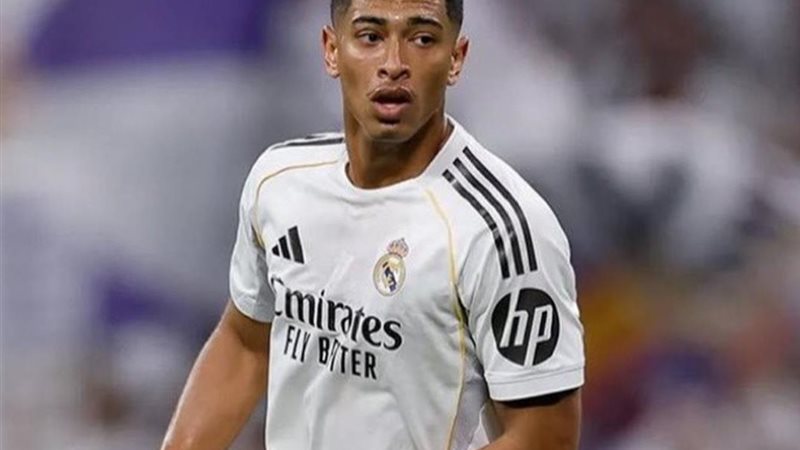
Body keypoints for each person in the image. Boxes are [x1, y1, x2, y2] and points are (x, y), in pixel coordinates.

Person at [161, 1, 584, 449]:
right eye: (370, 36)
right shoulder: (279, 181)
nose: (394, 64)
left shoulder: (504, 229)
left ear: (456, 58)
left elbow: (546, 436)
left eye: (422, 38)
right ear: (331, 50)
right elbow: (246, 343)